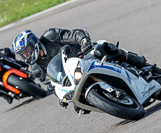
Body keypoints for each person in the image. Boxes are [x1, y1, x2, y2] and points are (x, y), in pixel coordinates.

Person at [12, 28, 146, 112]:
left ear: (34, 43)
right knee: (78, 106)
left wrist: (84, 41)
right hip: (73, 78)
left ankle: (136, 60)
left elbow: (75, 34)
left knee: (104, 48)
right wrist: (61, 97)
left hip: (85, 56)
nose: (27, 56)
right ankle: (113, 104)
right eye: (23, 54)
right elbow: (51, 85)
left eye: (27, 51)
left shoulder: (50, 36)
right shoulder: (36, 69)